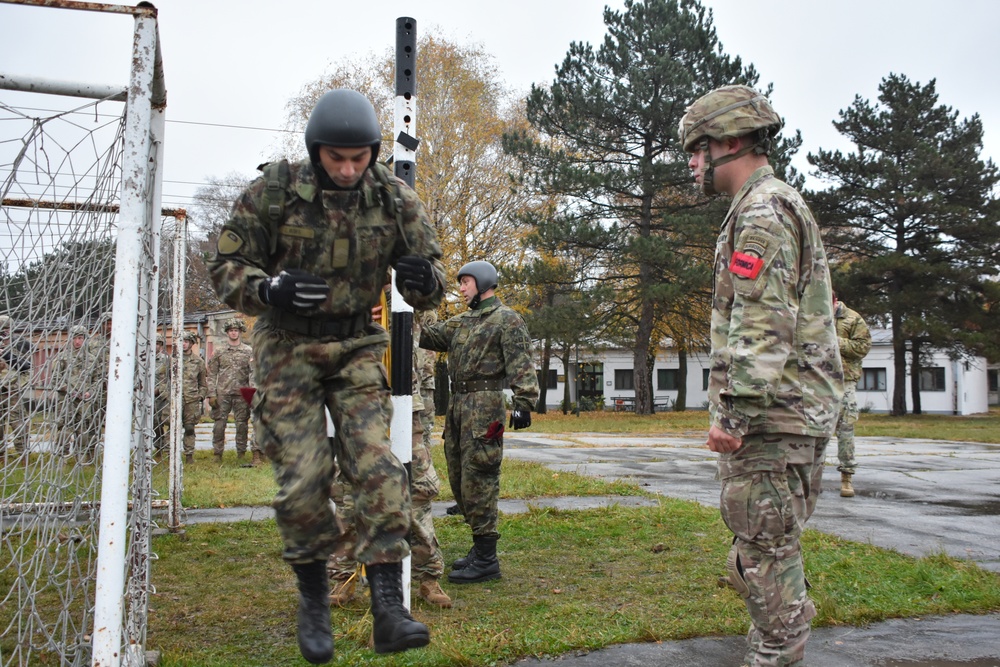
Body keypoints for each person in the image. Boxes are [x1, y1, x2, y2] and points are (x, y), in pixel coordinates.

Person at [208, 88, 446, 662]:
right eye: (335, 158)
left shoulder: (393, 197)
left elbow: (434, 277)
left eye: (358, 158)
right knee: (303, 477)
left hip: (356, 344)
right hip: (286, 344)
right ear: (316, 152)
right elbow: (224, 267)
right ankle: (314, 599)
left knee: (380, 464)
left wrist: (420, 280)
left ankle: (388, 605)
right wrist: (268, 288)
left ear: (372, 152)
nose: (346, 169)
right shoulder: (273, 192)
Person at [679, 85, 844, 667]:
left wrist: (734, 413)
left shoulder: (761, 214)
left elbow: (762, 325)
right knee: (763, 548)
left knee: (764, 549)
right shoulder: (772, 205)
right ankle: (784, 629)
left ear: (728, 141)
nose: (693, 163)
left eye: (697, 150)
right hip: (790, 411)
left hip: (773, 418)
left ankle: (777, 652)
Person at [419, 260, 539, 585]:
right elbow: (428, 335)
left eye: (466, 282)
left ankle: (487, 559)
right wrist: (412, 304)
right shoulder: (462, 322)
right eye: (460, 283)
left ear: (484, 282)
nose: (461, 288)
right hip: (458, 406)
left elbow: (521, 361)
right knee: (458, 476)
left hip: (485, 407)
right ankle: (479, 545)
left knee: (481, 475)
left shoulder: (507, 320)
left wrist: (524, 403)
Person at [328, 305, 452, 609]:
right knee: (348, 492)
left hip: (404, 405)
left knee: (417, 490)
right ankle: (342, 576)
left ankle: (427, 574)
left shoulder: (402, 290)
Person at [832, 293, 872, 498]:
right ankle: (809, 477)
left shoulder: (852, 319)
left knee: (846, 427)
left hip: (844, 381)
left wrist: (835, 341)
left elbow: (862, 347)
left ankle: (847, 476)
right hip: (815, 381)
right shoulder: (812, 316)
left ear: (835, 300)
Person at [52, 325, 105, 463]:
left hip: (85, 400)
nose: (77, 342)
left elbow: (97, 378)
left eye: (80, 338)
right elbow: (55, 379)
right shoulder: (62, 358)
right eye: (75, 338)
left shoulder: (92, 359)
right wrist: (69, 391)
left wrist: (90, 392)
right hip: (66, 399)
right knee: (65, 428)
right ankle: (61, 457)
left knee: (84, 429)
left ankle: (81, 457)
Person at [207, 317, 254, 463]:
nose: (234, 333)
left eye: (236, 331)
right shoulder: (219, 352)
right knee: (219, 424)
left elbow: (252, 373)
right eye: (231, 331)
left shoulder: (248, 351)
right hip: (223, 393)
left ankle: (241, 452)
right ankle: (217, 453)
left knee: (242, 424)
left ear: (240, 332)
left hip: (241, 394)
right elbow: (211, 373)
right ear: (227, 333)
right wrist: (211, 394)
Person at [0, 315, 32, 458]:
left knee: (19, 426)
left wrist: (16, 386)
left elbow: (28, 369)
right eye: (2, 329)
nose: (4, 333)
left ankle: (24, 456)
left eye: (7, 329)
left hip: (12, 393)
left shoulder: (19, 345)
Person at [179, 331, 208, 465]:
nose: (184, 344)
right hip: (174, 400)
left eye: (186, 341)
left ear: (191, 343)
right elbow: (164, 380)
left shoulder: (198, 362)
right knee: (170, 427)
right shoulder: (172, 360)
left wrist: (200, 396)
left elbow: (203, 383)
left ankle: (189, 455)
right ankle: (167, 453)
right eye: (182, 341)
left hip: (191, 400)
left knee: (189, 428)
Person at [153, 335, 171, 455]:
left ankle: (162, 446)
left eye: (157, 344)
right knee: (152, 423)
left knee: (161, 421)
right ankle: (157, 445)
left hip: (161, 396)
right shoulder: (140, 358)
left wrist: (160, 389)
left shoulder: (166, 360)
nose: (155, 346)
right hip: (144, 396)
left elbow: (171, 378)